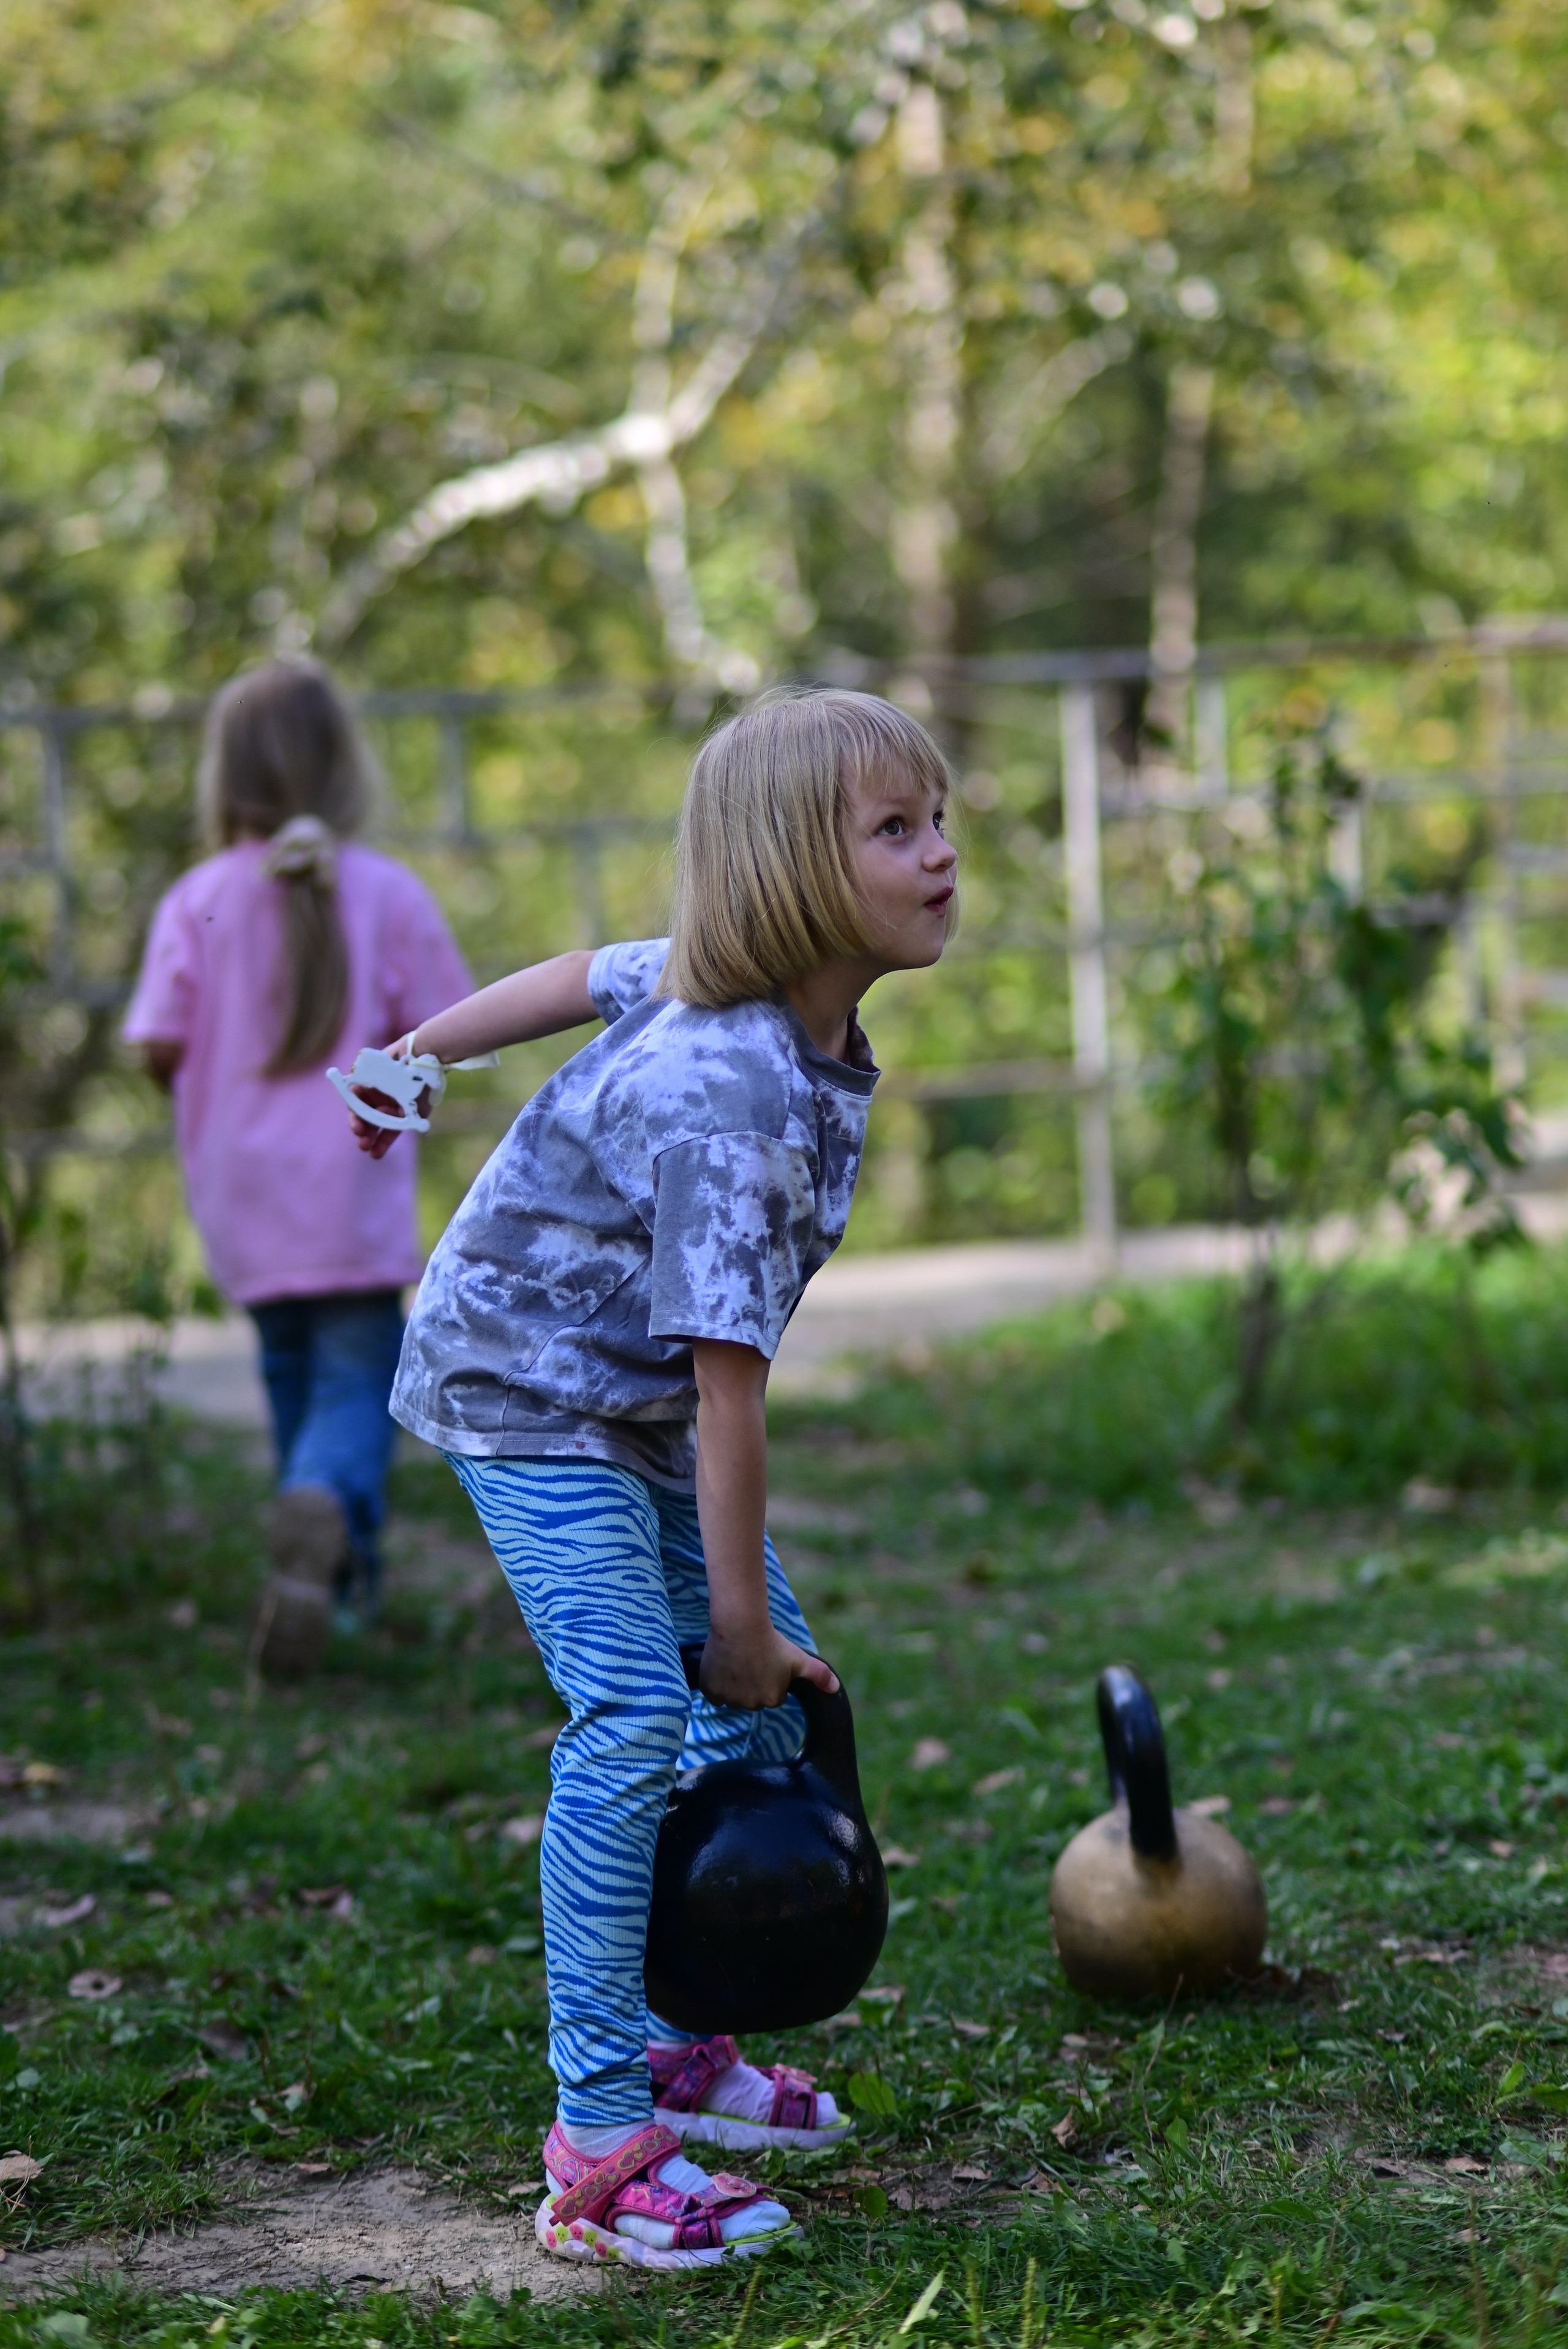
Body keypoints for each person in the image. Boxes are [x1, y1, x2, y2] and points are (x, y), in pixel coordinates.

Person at [343, 687, 957, 2272]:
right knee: (633, 1714)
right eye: (895, 829)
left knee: (750, 1705)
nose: (941, 854)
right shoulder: (731, 1095)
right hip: (524, 1390)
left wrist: (417, 1051)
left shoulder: (753, 1009)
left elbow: (572, 975)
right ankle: (597, 2139)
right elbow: (727, 1394)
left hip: (627, 1397)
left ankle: (682, 2040)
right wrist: (735, 1626)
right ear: (794, 871)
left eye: (937, 819)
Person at [124, 658, 471, 1669]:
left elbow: (156, 1046)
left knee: (289, 1373)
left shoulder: (197, 899)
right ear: (342, 767)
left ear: (224, 774)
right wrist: (398, 1093)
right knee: (358, 1382)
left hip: (242, 1199)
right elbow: (448, 1036)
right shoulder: (388, 894)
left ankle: (315, 1574)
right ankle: (324, 1521)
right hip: (350, 1196)